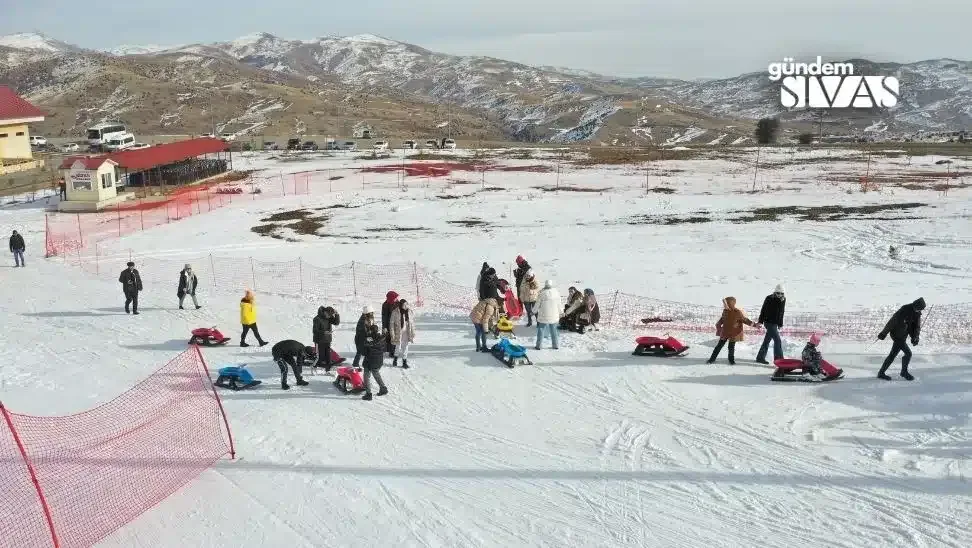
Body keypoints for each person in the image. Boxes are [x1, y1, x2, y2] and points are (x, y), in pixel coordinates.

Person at [877, 297, 925, 381]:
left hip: (903, 336)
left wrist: (915, 337)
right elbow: (891, 322)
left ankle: (881, 373)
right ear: (915, 306)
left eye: (920, 309)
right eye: (919, 309)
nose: (919, 311)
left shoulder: (917, 313)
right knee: (908, 353)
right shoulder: (904, 310)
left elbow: (916, 327)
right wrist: (883, 333)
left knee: (892, 355)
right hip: (896, 335)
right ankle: (904, 372)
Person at [707, 297, 756, 365]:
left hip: (734, 332)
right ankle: (712, 359)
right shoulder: (725, 311)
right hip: (725, 332)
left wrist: (754, 325)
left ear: (730, 304)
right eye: (724, 304)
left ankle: (731, 360)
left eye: (726, 303)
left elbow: (745, 320)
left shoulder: (737, 312)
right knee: (719, 346)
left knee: (731, 347)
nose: (724, 305)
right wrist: (718, 324)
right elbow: (722, 319)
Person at [755, 284, 786, 364]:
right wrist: (760, 321)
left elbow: (781, 312)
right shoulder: (769, 298)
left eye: (781, 293)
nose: (779, 295)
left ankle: (760, 357)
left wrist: (780, 324)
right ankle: (779, 360)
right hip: (768, 322)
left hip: (775, 324)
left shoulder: (783, 299)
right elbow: (763, 310)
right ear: (775, 292)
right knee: (777, 340)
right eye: (778, 293)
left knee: (767, 340)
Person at [361, 315, 388, 400]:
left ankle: (368, 394)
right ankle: (383, 388)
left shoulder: (369, 340)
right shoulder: (382, 338)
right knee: (376, 373)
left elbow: (365, 347)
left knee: (366, 376)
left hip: (370, 361)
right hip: (379, 360)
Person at [535, 279, 562, 350]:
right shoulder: (556, 293)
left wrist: (533, 311)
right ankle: (555, 345)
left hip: (543, 316)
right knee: (553, 330)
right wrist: (561, 312)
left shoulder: (542, 293)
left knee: (541, 330)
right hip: (554, 316)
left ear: (545, 285)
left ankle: (538, 346)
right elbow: (559, 304)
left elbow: (537, 304)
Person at [312, 305, 340, 372]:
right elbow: (315, 331)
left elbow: (336, 323)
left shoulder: (329, 317)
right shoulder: (317, 319)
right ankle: (313, 367)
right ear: (325, 312)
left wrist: (337, 314)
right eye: (329, 315)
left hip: (327, 340)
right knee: (320, 357)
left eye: (330, 315)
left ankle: (328, 370)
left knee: (328, 356)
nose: (329, 317)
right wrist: (324, 332)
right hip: (319, 340)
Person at [389, 299, 416, 368]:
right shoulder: (395, 312)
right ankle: (395, 359)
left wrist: (413, 332)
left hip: (407, 331)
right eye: (404, 304)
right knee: (398, 346)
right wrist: (392, 333)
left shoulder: (409, 312)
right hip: (398, 331)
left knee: (405, 346)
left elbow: (412, 323)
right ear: (401, 305)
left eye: (406, 304)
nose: (406, 306)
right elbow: (391, 324)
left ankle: (404, 361)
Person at [382, 290, 400, 357]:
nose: (397, 299)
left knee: (396, 337)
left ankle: (395, 350)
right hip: (389, 324)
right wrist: (385, 326)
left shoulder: (398, 303)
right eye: (395, 298)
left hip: (397, 323)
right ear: (391, 298)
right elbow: (384, 316)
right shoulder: (385, 305)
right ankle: (391, 352)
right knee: (389, 338)